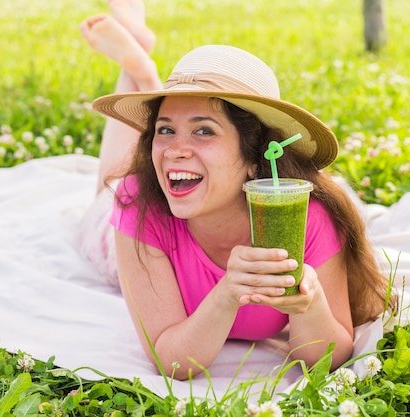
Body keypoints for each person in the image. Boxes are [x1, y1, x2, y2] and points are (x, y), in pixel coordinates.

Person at [78, 0, 394, 381]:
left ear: (253, 156)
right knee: (106, 193)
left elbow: (327, 357)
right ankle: (142, 73)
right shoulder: (138, 204)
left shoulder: (305, 217)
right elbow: (172, 362)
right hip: (119, 233)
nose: (175, 147)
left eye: (204, 130)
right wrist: (228, 293)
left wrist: (308, 307)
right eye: (164, 129)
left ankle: (144, 72)